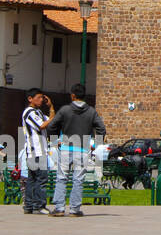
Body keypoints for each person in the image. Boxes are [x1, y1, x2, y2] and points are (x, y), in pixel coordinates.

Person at [46, 84, 106, 217]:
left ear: (73, 95)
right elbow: (101, 128)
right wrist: (95, 144)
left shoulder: (65, 110)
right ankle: (74, 209)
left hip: (66, 148)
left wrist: (55, 141)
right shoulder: (91, 111)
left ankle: (59, 208)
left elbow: (51, 126)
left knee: (62, 178)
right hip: (83, 149)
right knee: (78, 180)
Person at [20, 89, 53, 215]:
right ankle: (39, 205)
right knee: (41, 180)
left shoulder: (38, 112)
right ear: (30, 99)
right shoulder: (29, 112)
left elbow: (50, 121)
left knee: (32, 180)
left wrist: (51, 107)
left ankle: (29, 205)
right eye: (38, 97)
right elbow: (42, 125)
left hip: (38, 151)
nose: (41, 100)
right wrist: (53, 114)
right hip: (36, 151)